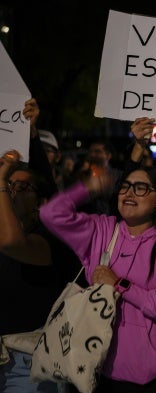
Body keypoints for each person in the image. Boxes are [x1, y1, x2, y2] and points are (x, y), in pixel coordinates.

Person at [40, 167, 156, 392]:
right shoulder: (101, 229)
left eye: (141, 188)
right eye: (125, 186)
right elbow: (50, 214)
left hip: (153, 378)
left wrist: (120, 284)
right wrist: (88, 188)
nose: (129, 193)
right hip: (97, 370)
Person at [0, 151, 78, 393]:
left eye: (22, 187)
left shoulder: (51, 239)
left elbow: (13, 242)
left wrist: (0, 183)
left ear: (42, 202)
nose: (12, 191)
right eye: (10, 185)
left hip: (28, 363)